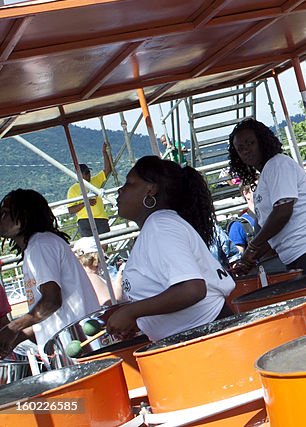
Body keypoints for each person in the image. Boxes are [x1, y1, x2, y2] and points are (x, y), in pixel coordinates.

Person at [107, 157, 234, 341]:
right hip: (198, 339)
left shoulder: (161, 226)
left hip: (210, 338)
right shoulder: (157, 227)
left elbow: (192, 289)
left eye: (129, 183)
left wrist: (132, 311)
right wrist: (140, 320)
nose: (120, 190)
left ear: (150, 189)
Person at [228, 119, 306, 274]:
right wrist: (250, 259)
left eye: (250, 143)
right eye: (240, 148)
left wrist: (252, 248)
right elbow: (274, 233)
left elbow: (282, 212)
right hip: (299, 254)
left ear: (262, 141)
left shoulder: (278, 164)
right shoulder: (266, 175)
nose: (246, 150)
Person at [0, 189, 100, 356]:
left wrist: (13, 327)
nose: (0, 217)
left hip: (80, 347)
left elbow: (52, 301)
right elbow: (47, 315)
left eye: (5, 212)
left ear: (25, 215)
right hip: (73, 347)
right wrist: (13, 339)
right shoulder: (37, 246)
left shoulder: (41, 245)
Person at [67, 142, 115, 237]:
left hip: (101, 218)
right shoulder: (73, 189)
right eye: (86, 173)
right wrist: (86, 203)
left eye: (89, 172)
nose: (89, 175)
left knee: (105, 242)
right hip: (85, 220)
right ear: (79, 175)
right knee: (91, 246)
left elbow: (107, 170)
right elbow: (71, 210)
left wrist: (104, 153)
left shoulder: (95, 181)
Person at [72, 238, 113, 307]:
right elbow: (108, 303)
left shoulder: (76, 279)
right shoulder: (92, 277)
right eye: (99, 260)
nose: (98, 265)